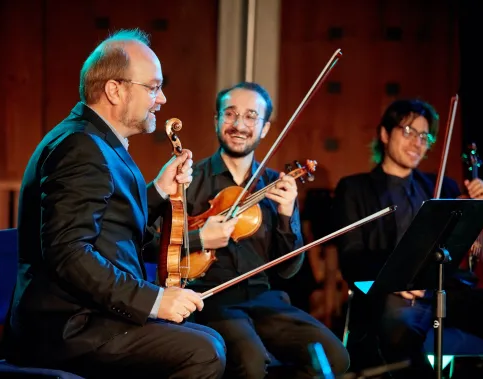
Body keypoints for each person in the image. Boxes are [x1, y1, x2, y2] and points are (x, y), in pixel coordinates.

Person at [4, 28, 226, 379]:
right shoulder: (80, 148)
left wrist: (156, 192)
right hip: (69, 327)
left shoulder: (96, 141)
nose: (163, 98)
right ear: (114, 89)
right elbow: (69, 252)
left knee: (209, 338)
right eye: (153, 87)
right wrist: (154, 300)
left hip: (91, 316)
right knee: (203, 352)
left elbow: (112, 228)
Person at [150, 81, 350, 378]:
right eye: (230, 114)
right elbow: (149, 242)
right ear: (216, 120)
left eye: (251, 116)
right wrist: (200, 237)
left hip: (264, 300)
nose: (239, 124)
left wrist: (285, 214)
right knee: (251, 362)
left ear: (266, 128)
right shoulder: (188, 178)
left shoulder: (276, 185)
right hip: (207, 298)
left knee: (334, 357)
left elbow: (288, 270)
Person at [331, 98, 483, 378]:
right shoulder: (354, 188)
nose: (417, 143)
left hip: (443, 292)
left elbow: (474, 248)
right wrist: (396, 277)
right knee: (398, 324)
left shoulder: (443, 187)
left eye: (425, 136)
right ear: (385, 134)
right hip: (391, 296)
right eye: (408, 131)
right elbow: (352, 259)